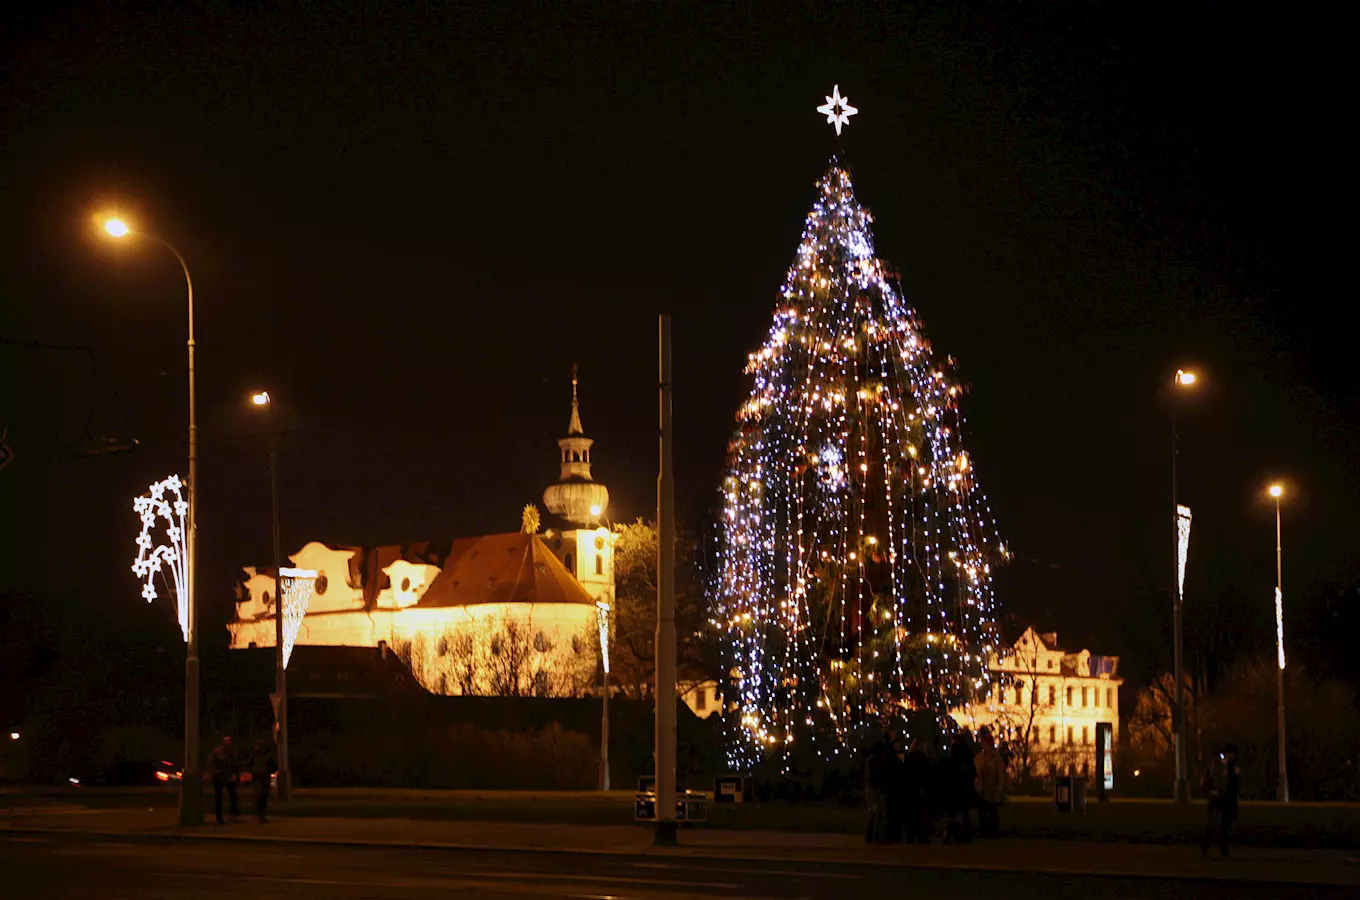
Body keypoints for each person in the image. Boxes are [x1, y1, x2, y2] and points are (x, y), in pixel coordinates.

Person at [1200, 743, 1240, 858]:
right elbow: (1217, 779)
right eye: (1229, 754)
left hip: (1227, 800)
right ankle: (1206, 845)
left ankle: (1222, 848)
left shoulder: (1233, 766)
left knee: (1224, 826)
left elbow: (1234, 784)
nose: (1231, 756)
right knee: (1214, 824)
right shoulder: (1219, 763)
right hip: (1217, 798)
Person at [941, 732, 975, 843]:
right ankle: (964, 835)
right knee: (963, 814)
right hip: (964, 788)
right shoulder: (968, 755)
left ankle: (954, 835)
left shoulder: (954, 755)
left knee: (954, 814)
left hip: (955, 789)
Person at [974, 728, 1006, 838]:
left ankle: (993, 831)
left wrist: (998, 787)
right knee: (982, 812)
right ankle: (983, 830)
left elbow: (1000, 774)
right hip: (982, 789)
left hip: (991, 789)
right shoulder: (980, 757)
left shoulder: (996, 759)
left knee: (992, 811)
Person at [902, 739, 935, 843]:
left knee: (912, 815)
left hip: (912, 790)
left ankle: (911, 836)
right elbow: (929, 772)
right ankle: (921, 836)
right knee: (922, 815)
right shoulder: (923, 759)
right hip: (921, 790)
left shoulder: (910, 759)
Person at [207, 735, 240, 824]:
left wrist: (235, 775)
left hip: (228, 776)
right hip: (219, 776)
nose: (228, 743)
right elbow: (211, 763)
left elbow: (234, 765)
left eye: (229, 741)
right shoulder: (216, 752)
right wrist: (214, 772)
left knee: (233, 795)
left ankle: (233, 814)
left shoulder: (232, 753)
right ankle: (219, 817)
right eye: (226, 741)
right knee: (219, 797)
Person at [863, 741, 889, 844]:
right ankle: (873, 836)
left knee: (877, 813)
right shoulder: (874, 760)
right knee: (877, 813)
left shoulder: (872, 759)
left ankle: (873, 836)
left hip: (872, 788)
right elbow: (873, 775)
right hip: (873, 789)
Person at [247, 738, 278, 823]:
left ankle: (262, 815)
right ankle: (260, 815)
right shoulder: (254, 756)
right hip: (257, 778)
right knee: (259, 797)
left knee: (263, 796)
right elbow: (249, 765)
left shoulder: (268, 757)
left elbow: (273, 767)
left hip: (265, 778)